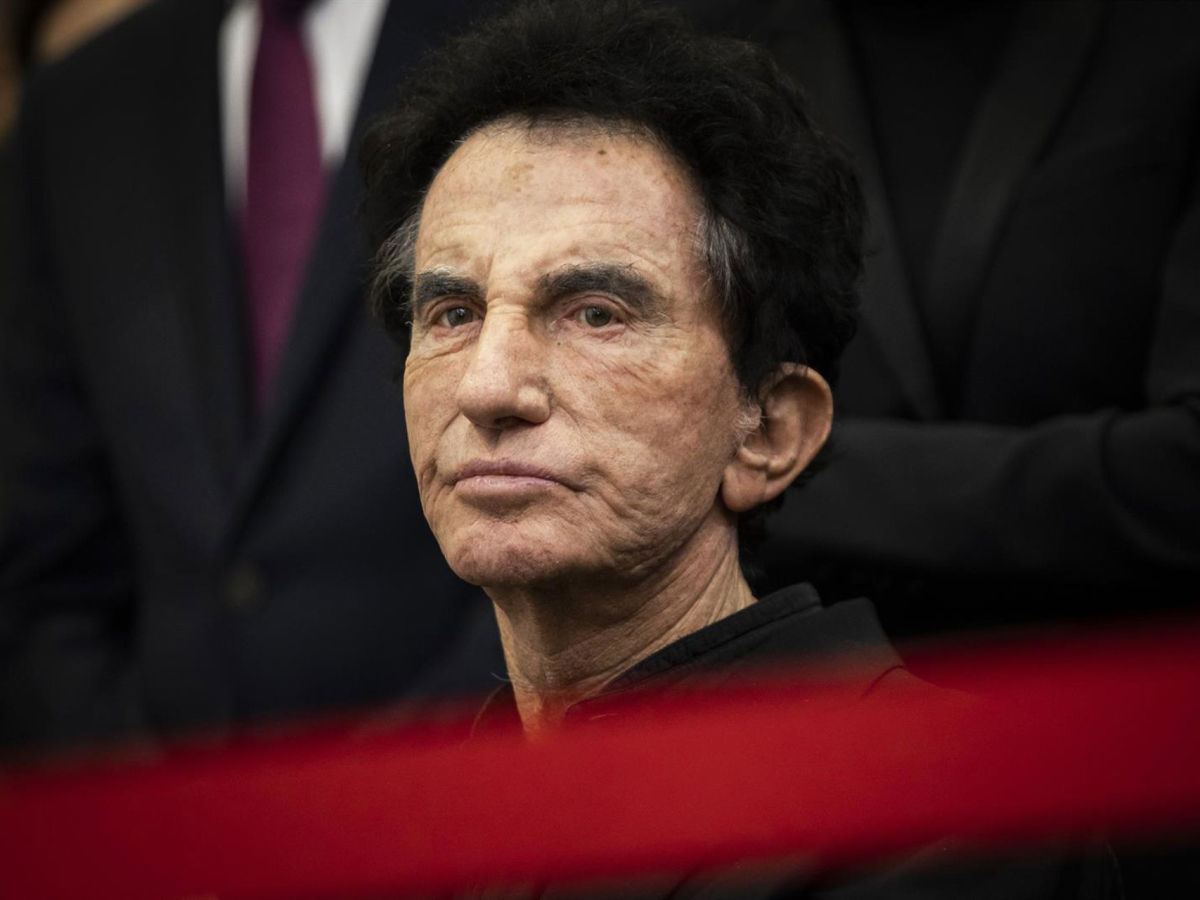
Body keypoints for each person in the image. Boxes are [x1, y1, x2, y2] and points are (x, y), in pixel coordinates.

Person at [361, 1, 1118, 894]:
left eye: (596, 314)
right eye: (453, 313)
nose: (488, 386)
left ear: (771, 431)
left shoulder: (955, 817)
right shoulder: (405, 831)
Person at [0, 0, 503, 751]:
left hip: (484, 779)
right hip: (148, 798)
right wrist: (147, 793)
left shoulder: (542, 31)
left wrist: (395, 786)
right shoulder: (78, 104)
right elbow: (41, 552)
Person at [700, 0, 1200, 638]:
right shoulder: (687, 40)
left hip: (1122, 659)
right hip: (787, 665)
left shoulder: (1171, 37)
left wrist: (755, 464)